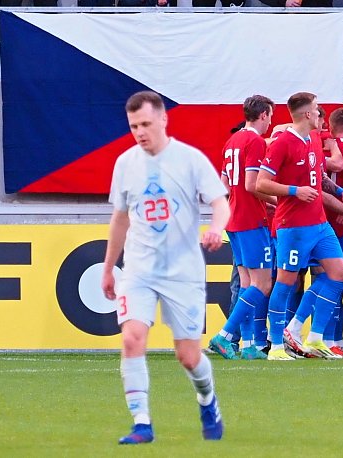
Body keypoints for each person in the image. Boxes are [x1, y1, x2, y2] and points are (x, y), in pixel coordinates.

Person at [101, 91, 230, 444]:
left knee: (188, 357)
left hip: (182, 272)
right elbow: (120, 219)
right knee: (131, 339)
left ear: (163, 119)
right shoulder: (126, 163)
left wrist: (217, 228)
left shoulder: (190, 160)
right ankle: (141, 422)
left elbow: (220, 202)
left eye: (144, 123)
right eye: (133, 126)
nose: (139, 132)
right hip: (139, 269)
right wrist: (109, 267)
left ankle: (207, 399)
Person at [256, 91, 343, 360]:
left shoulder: (313, 140)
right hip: (293, 226)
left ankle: (312, 335)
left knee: (338, 275)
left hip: (319, 223)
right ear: (308, 114)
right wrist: (293, 190)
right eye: (317, 109)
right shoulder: (282, 143)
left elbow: (319, 176)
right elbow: (260, 183)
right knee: (286, 282)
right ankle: (277, 345)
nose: (322, 114)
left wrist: (341, 192)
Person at [208, 95, 277, 361]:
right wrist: (276, 201)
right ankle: (224, 336)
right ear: (263, 115)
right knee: (262, 284)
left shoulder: (232, 141)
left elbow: (225, 184)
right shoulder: (255, 142)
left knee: (248, 283)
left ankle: (248, 344)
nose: (271, 121)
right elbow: (252, 184)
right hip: (250, 219)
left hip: (234, 218)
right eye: (270, 115)